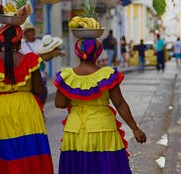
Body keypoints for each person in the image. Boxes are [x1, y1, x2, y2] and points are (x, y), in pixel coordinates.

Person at [54, 38, 146, 174]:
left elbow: (59, 103)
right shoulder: (107, 75)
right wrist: (135, 129)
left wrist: (76, 96)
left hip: (75, 131)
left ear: (77, 53)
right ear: (97, 53)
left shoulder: (67, 76)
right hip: (103, 129)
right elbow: (120, 103)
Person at [0, 25, 53, 173]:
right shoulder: (31, 60)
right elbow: (39, 89)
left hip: (0, 110)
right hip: (27, 109)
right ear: (19, 42)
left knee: (5, 151)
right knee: (28, 149)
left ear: (2, 40)